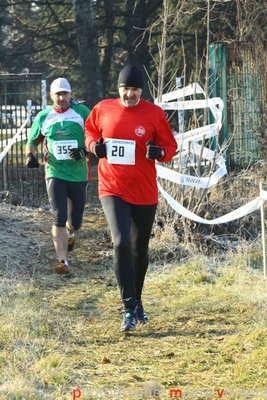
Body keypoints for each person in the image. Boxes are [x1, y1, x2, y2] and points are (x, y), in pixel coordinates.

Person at [84, 65, 178, 332]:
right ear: (119, 89)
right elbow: (89, 130)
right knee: (122, 243)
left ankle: (137, 301)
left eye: (135, 90)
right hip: (112, 187)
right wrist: (94, 147)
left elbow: (171, 146)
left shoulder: (154, 113)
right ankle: (127, 309)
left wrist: (159, 151)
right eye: (126, 89)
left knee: (139, 251)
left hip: (145, 191)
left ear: (141, 91)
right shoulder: (103, 108)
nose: (130, 94)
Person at [25, 77, 91, 275]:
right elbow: (32, 141)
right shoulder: (44, 116)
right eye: (58, 94)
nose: (61, 98)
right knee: (58, 216)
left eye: (65, 93)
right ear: (51, 95)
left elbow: (96, 136)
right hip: (54, 172)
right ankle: (63, 262)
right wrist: (30, 155)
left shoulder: (82, 112)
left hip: (79, 173)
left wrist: (85, 150)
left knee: (76, 222)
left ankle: (71, 233)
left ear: (71, 94)